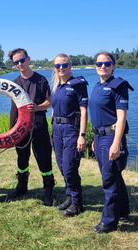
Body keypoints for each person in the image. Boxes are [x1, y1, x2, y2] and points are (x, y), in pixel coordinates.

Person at [89, 51, 134, 233]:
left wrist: (116, 143)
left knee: (109, 179)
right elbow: (96, 116)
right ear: (95, 66)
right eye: (99, 64)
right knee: (113, 175)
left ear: (113, 66)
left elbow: (121, 117)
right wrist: (93, 138)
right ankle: (122, 211)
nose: (103, 67)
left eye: (107, 64)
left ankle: (109, 221)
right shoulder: (97, 86)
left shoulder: (118, 86)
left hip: (111, 137)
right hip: (99, 136)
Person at [8, 48, 55, 206]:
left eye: (22, 60)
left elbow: (49, 101)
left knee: (43, 157)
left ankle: (48, 190)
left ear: (28, 59)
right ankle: (22, 186)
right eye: (16, 62)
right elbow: (13, 107)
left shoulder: (41, 80)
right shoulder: (14, 83)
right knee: (22, 157)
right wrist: (10, 130)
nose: (20, 64)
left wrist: (38, 107)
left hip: (38, 123)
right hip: (20, 127)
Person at [51, 53, 88, 217]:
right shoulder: (57, 85)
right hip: (57, 129)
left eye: (64, 65)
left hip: (71, 130)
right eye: (58, 66)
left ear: (70, 66)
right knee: (61, 165)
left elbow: (84, 111)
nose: (61, 68)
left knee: (70, 167)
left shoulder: (78, 84)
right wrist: (52, 132)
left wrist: (82, 135)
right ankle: (69, 197)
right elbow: (53, 110)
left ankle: (77, 203)